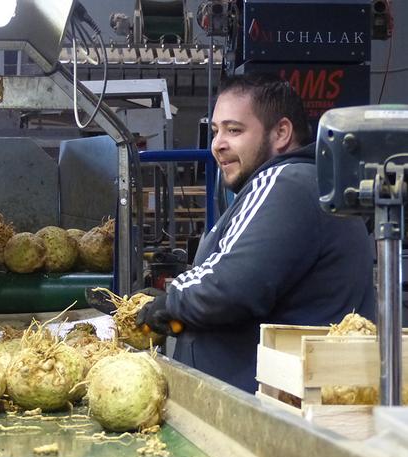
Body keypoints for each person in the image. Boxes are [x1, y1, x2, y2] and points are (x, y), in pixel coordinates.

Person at [136, 74, 375, 393]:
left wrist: (169, 303)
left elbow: (229, 286)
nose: (218, 144)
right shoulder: (304, 184)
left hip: (267, 416)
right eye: (216, 130)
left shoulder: (285, 183)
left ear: (281, 133)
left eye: (234, 130)